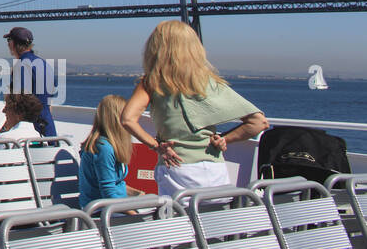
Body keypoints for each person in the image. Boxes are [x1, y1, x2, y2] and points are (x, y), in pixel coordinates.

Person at [120, 19, 269, 198]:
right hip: (214, 169)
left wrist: (156, 146)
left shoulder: (152, 83)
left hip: (176, 167)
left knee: (180, 223)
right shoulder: (210, 82)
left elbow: (127, 119)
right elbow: (259, 122)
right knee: (213, 221)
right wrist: (225, 139)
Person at [78, 94, 143, 207]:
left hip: (114, 206)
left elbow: (116, 186)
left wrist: (139, 194)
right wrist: (133, 214)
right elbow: (108, 193)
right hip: (100, 211)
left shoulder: (109, 145)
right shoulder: (103, 148)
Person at [0, 27, 57, 137]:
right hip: (47, 124)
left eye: (9, 40)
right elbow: (50, 99)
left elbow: (18, 103)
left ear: (13, 44)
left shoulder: (21, 66)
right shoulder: (45, 65)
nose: (8, 44)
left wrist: (3, 131)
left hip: (30, 126)